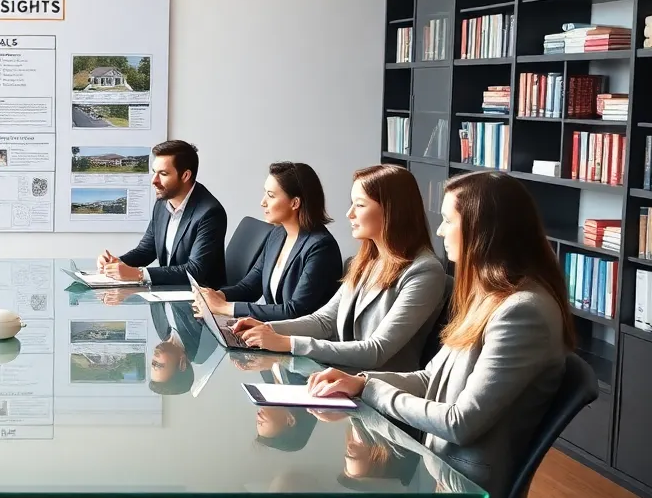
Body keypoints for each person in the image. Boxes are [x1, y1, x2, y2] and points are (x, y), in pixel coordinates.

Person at [206, 170, 572, 498]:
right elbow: (430, 378)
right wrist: (360, 383)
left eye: (448, 220)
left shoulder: (521, 312)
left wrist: (369, 390)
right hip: (434, 478)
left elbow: (461, 421)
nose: (440, 230)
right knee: (300, 492)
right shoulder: (492, 298)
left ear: (480, 228)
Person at [233, 164, 447, 373]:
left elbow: (376, 351)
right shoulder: (366, 261)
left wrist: (287, 342)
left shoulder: (424, 271)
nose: (349, 213)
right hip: (338, 378)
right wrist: (268, 329)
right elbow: (324, 320)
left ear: (392, 211)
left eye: (360, 205)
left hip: (375, 393)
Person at [194, 162, 343, 321]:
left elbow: (295, 311)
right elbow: (250, 287)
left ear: (295, 203)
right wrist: (217, 295)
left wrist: (225, 308)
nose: (263, 202)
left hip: (298, 340)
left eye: (271, 195)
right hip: (272, 331)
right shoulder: (277, 234)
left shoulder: (321, 247)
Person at [96, 140, 227, 287]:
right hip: (169, 291)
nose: (154, 181)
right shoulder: (163, 202)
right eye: (154, 173)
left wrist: (139, 274)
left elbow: (195, 271)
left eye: (163, 174)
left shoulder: (210, 213)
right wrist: (117, 263)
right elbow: (146, 250)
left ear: (185, 176)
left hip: (199, 299)